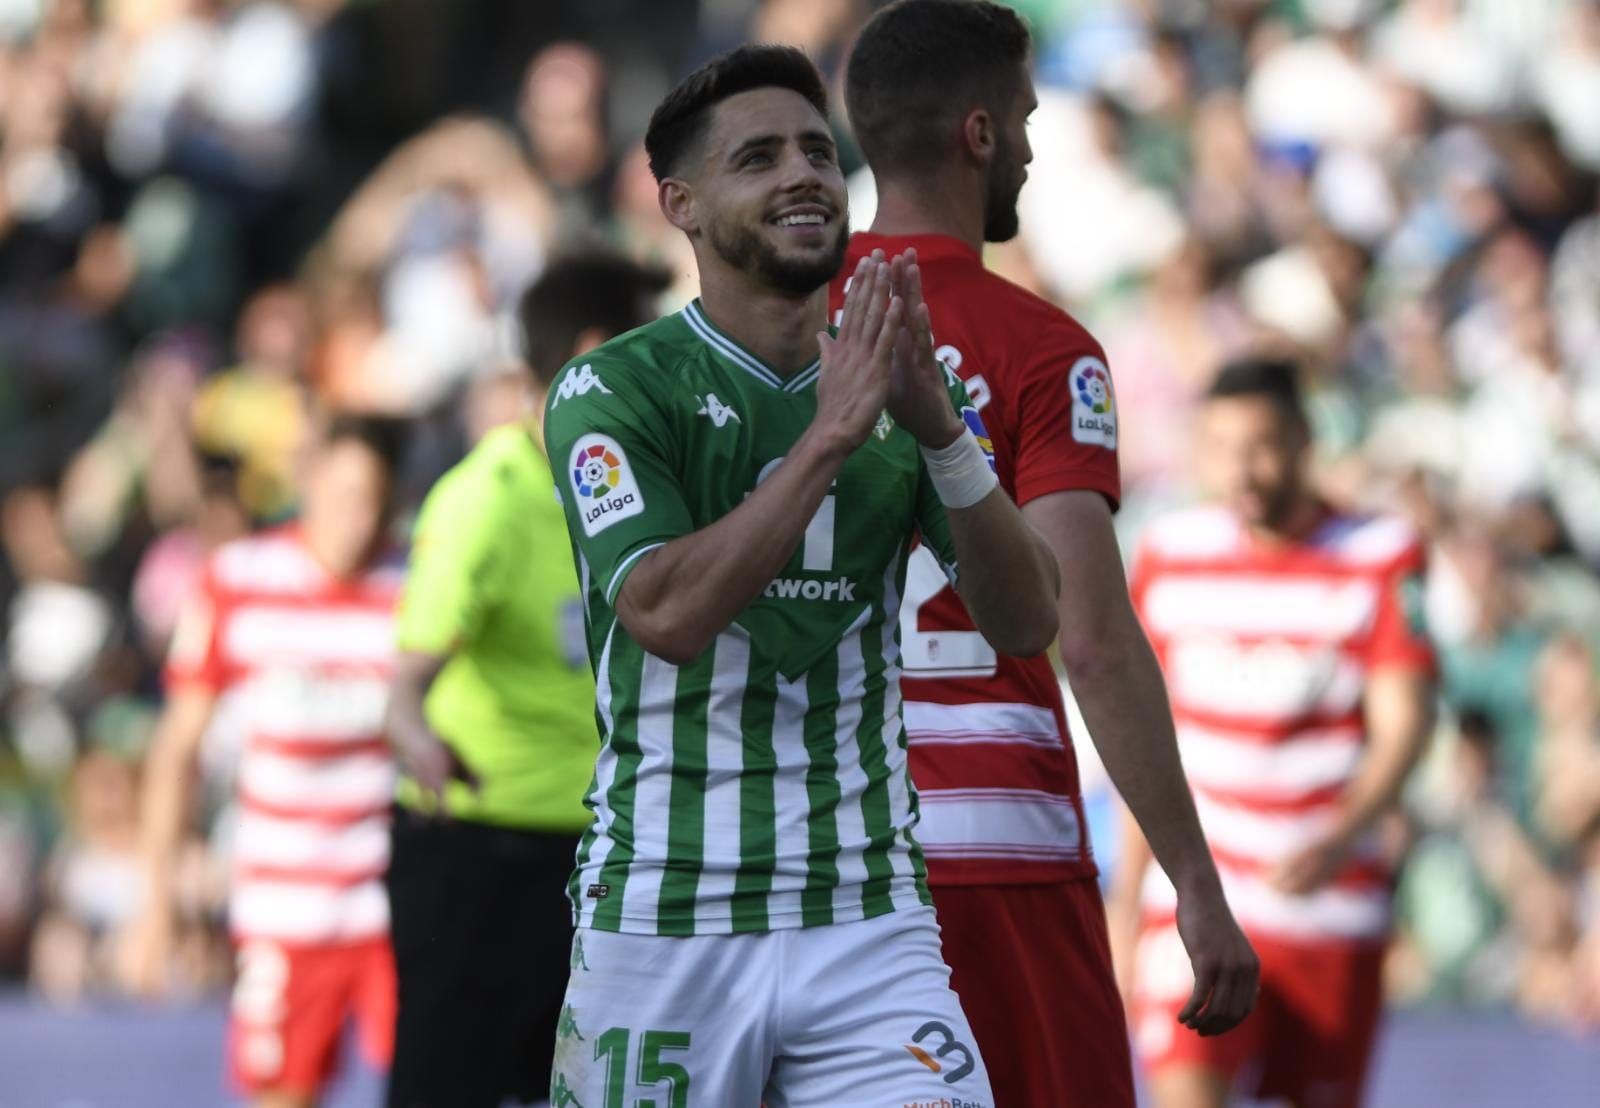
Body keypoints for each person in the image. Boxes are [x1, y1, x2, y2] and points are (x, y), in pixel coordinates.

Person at [540, 43, 1061, 1108]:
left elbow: (1028, 618)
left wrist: (939, 432)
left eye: (819, 151)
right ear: (680, 205)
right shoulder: (614, 390)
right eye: (760, 156)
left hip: (866, 916)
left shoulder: (905, 380)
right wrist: (833, 434)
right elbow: (665, 612)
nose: (804, 175)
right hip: (665, 915)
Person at [836, 3, 1259, 1105]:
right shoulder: (1042, 347)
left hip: (816, 851)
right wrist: (1195, 884)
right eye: (1021, 118)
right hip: (1000, 857)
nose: (1028, 144)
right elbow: (1094, 637)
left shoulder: (768, 336)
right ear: (979, 133)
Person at [382, 253, 670, 1108]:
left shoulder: (641, 490)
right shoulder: (487, 501)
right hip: (482, 854)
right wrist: (418, 742)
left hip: (606, 855)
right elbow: (403, 685)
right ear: (592, 354)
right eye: (649, 348)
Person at [1116, 358, 1437, 1108]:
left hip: (1325, 905)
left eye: (1259, 446)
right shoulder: (1169, 555)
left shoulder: (1379, 554)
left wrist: (1338, 835)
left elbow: (1407, 723)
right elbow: (1140, 737)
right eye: (1222, 448)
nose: (1242, 470)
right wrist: (1124, 901)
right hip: (1194, 902)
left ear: (1302, 441)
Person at [132, 417, 406, 1108]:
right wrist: (156, 905)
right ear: (309, 485)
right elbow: (176, 750)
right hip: (283, 911)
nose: (358, 517)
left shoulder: (413, 582)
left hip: (396, 903)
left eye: (373, 499)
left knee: (434, 1084)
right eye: (345, 495)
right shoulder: (237, 580)